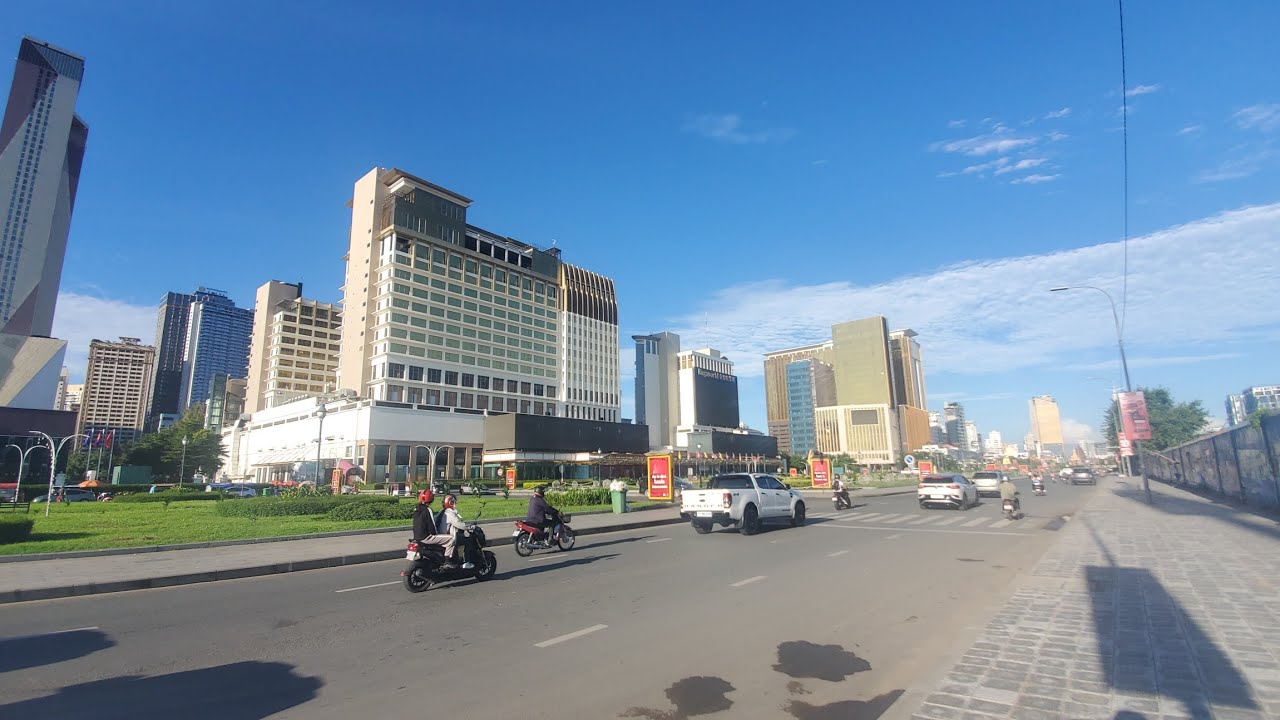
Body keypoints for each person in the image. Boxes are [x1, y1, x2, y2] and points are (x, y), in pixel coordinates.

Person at [411, 490, 458, 568]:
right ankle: (447, 561)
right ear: (431, 499)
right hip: (427, 537)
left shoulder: (416, 509)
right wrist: (437, 534)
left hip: (416, 537)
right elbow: (432, 525)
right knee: (451, 539)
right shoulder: (428, 510)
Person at [437, 494, 476, 570]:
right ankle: (466, 561)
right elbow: (459, 524)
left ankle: (457, 558)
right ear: (450, 503)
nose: (455, 504)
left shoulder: (442, 512)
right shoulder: (450, 513)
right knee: (468, 541)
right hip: (448, 536)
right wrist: (470, 527)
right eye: (453, 502)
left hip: (441, 535)